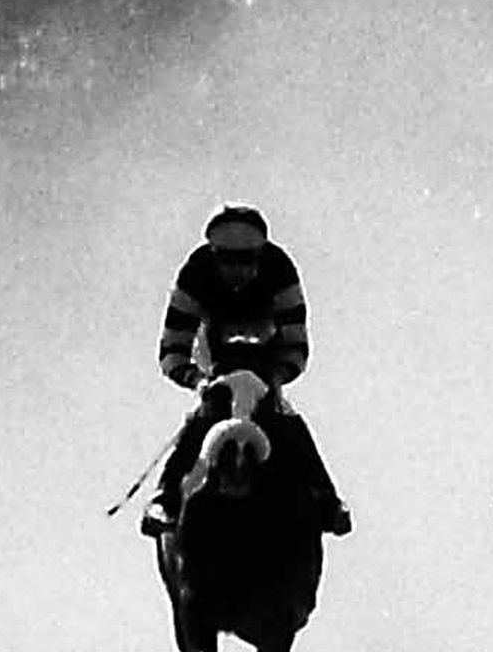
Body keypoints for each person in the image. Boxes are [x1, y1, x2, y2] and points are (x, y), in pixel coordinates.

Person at [141, 204, 352, 538]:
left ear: (260, 254)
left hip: (265, 371)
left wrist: (279, 377)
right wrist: (199, 381)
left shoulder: (280, 270)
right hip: (215, 370)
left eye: (247, 260)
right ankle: (164, 499)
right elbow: (170, 352)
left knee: (288, 421)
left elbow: (297, 345)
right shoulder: (194, 274)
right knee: (202, 419)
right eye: (227, 260)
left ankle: (327, 499)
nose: (237, 270)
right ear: (214, 254)